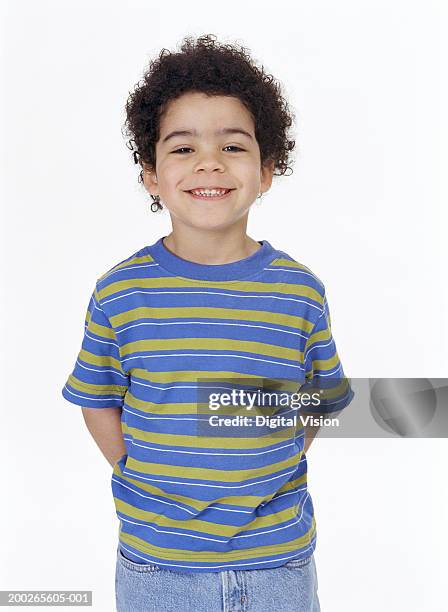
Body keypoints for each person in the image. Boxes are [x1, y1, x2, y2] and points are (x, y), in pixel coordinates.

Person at [61, 33, 354, 612]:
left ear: (268, 170)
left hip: (278, 562)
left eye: (234, 146)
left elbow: (320, 401)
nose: (209, 163)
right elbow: (97, 399)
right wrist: (132, 470)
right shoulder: (122, 292)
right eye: (183, 148)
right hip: (157, 565)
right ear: (151, 174)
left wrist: (277, 456)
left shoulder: (299, 291)